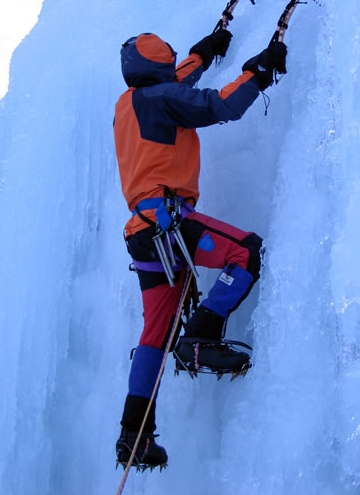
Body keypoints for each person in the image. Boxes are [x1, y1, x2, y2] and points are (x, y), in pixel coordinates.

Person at [113, 27, 287, 470]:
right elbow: (220, 105)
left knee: (154, 334)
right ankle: (200, 336)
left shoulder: (129, 104)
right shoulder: (161, 99)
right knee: (244, 253)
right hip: (170, 226)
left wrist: (205, 51)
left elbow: (179, 80)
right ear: (157, 70)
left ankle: (134, 434)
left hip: (143, 235)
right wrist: (258, 72)